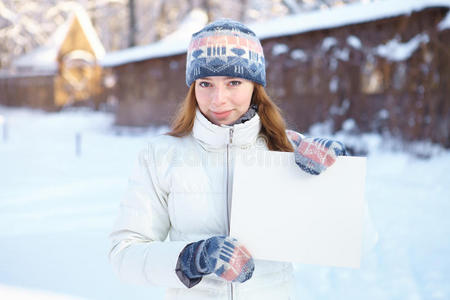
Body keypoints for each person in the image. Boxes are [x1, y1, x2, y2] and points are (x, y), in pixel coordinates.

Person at [109, 19, 366, 300]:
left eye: (234, 82)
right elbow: (124, 254)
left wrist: (334, 179)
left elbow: (359, 240)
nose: (218, 99)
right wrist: (193, 258)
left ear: (255, 86)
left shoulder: (286, 150)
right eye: (205, 83)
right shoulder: (161, 155)